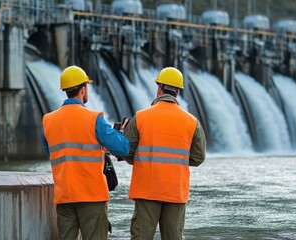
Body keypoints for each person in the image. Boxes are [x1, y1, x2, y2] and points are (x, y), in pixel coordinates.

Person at [41, 65, 130, 240]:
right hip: (92, 197)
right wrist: (121, 134)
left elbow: (51, 152)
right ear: (83, 89)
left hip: (64, 198)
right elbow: (122, 148)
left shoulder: (48, 121)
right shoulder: (93, 118)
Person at [123, 67, 207, 240]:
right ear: (177, 92)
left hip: (147, 189)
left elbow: (127, 151)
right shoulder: (192, 122)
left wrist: (139, 160)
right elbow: (199, 157)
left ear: (159, 89)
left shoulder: (140, 117)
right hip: (175, 191)